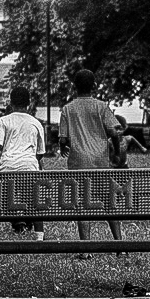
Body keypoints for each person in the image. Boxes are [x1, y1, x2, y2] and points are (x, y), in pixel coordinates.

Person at [59, 69, 124, 250]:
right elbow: (114, 132)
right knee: (110, 204)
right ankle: (120, 246)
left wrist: (62, 147)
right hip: (100, 162)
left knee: (82, 205)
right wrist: (117, 152)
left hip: (78, 162)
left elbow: (63, 138)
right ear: (94, 86)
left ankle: (86, 250)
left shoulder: (68, 109)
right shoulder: (101, 106)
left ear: (74, 87)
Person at [0, 86, 47, 240]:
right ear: (29, 104)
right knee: (35, 202)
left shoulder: (3, 121)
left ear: (10, 103)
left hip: (7, 166)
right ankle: (39, 237)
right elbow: (40, 153)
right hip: (29, 167)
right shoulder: (36, 123)